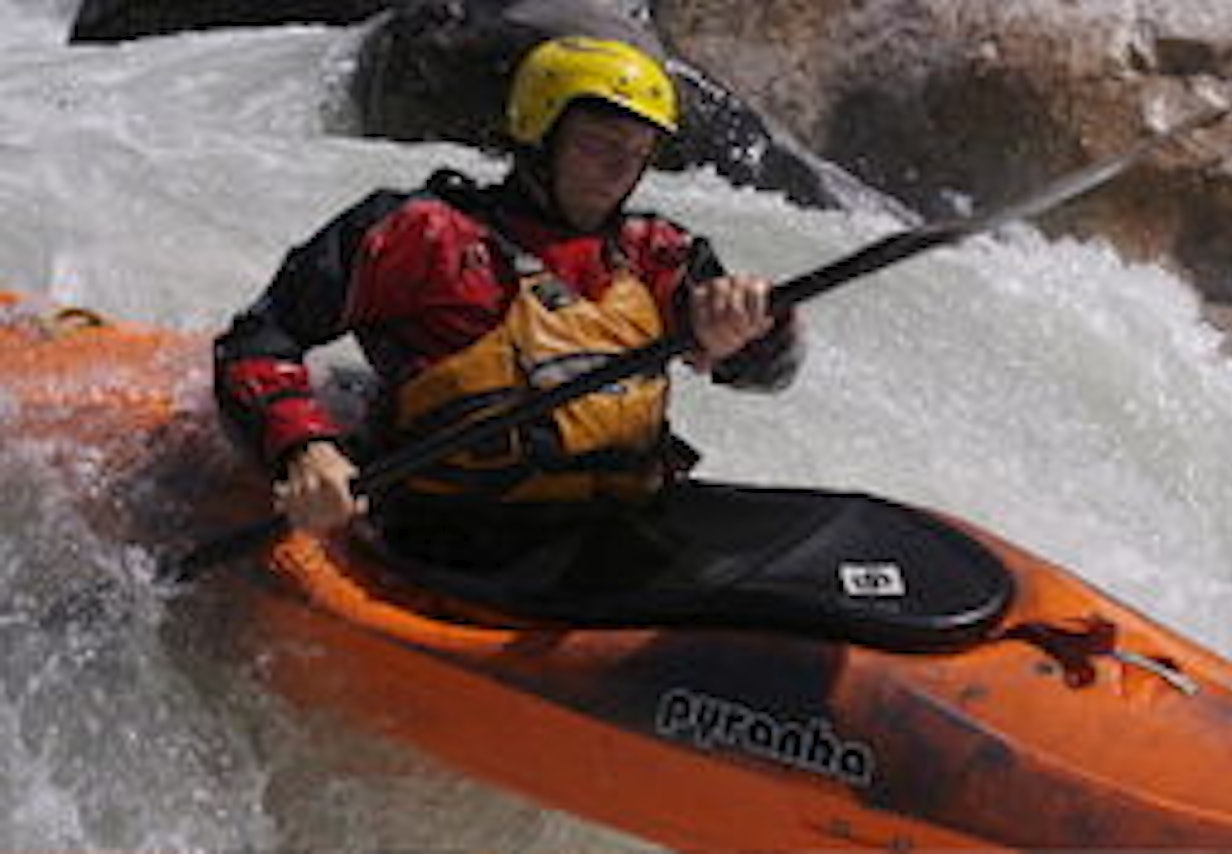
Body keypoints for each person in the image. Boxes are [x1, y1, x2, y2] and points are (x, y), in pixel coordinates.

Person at [214, 35, 804, 571]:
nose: (618, 169)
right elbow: (258, 342)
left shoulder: (657, 254)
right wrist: (304, 448)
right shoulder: (422, 236)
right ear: (539, 134)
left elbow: (761, 371)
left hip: (615, 531)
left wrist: (755, 330)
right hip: (454, 541)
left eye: (638, 149)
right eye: (597, 143)